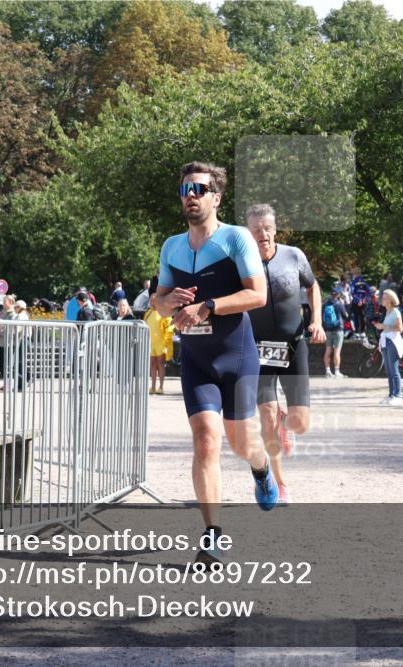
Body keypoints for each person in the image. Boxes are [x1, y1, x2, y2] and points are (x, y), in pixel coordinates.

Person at [155, 161, 276, 564]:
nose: (190, 195)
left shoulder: (236, 239)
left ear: (216, 197)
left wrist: (209, 306)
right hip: (195, 359)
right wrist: (164, 302)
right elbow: (159, 297)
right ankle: (212, 536)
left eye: (199, 189)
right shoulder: (171, 245)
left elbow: (257, 295)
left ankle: (260, 469)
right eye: (184, 189)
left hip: (236, 356)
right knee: (206, 438)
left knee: (243, 443)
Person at [245, 204, 325, 505]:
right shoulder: (243, 262)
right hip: (257, 350)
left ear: (275, 229)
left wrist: (316, 321)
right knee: (266, 417)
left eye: (266, 228)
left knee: (300, 423)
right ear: (248, 234)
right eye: (256, 229)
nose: (262, 234)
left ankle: (285, 422)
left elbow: (313, 287)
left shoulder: (294, 256)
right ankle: (279, 484)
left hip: (293, 346)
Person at [372, 289, 403, 405]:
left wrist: (383, 326)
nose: (382, 299)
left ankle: (398, 395)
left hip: (392, 342)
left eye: (385, 298)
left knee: (394, 370)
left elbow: (400, 328)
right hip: (386, 341)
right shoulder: (388, 312)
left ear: (390, 300)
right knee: (389, 370)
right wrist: (382, 327)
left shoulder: (396, 312)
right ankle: (392, 394)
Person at [145, 294, 175, 395]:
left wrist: (167, 343)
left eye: (153, 300)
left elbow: (169, 328)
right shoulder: (149, 313)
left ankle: (161, 386)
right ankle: (153, 386)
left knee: (160, 364)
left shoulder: (164, 313)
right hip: (151, 343)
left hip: (161, 343)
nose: (152, 302)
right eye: (151, 301)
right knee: (152, 364)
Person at [322, 289, 349, 378]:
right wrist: (343, 305)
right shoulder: (339, 304)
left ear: (330, 294)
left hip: (328, 330)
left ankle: (327, 371)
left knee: (328, 350)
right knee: (337, 352)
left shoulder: (325, 304)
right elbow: (345, 316)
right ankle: (337, 372)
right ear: (338, 295)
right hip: (338, 330)